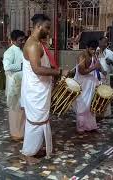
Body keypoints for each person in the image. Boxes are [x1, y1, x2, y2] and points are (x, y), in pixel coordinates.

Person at [20, 14, 68, 165]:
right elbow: (37, 69)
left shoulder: (38, 43)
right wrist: (58, 72)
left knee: (41, 119)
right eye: (47, 28)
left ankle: (35, 148)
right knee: (36, 122)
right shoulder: (33, 45)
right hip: (35, 91)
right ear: (38, 26)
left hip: (40, 89)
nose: (49, 31)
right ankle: (28, 154)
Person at [74, 40, 105, 134]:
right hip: (83, 83)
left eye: (94, 49)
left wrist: (101, 70)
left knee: (91, 105)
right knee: (82, 105)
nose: (93, 51)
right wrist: (94, 67)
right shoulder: (82, 56)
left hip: (91, 83)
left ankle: (91, 126)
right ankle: (81, 126)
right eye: (91, 49)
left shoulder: (94, 55)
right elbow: (81, 71)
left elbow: (97, 66)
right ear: (87, 47)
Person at [3, 30, 26, 141]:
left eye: (23, 39)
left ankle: (21, 132)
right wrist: (21, 65)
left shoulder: (22, 50)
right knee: (14, 110)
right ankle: (15, 133)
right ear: (13, 40)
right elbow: (6, 67)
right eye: (20, 40)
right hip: (13, 85)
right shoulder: (10, 51)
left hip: (22, 83)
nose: (23, 42)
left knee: (22, 108)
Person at [97, 36, 113, 117]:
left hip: (106, 76)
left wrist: (111, 61)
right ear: (99, 42)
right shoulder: (95, 51)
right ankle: (96, 112)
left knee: (106, 94)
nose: (105, 44)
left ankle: (105, 113)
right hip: (96, 76)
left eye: (107, 42)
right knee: (97, 94)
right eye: (104, 42)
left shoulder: (110, 52)